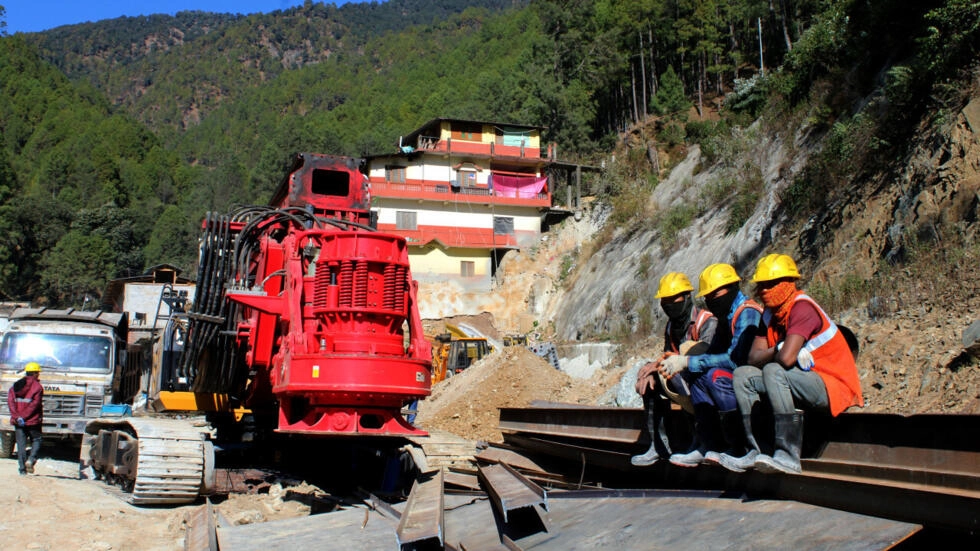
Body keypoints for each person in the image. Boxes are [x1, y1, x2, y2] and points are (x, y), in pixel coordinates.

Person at [729, 254, 863, 474]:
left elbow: (786, 359)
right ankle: (757, 450)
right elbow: (752, 358)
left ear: (788, 283)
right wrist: (779, 347)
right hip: (801, 379)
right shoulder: (770, 315)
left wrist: (779, 351)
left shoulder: (802, 308)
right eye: (762, 285)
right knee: (743, 375)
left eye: (771, 284)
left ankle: (788, 455)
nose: (764, 290)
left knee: (773, 370)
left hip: (832, 385)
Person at [662, 263, 763, 468]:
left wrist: (687, 361)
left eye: (715, 295)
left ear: (732, 287)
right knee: (697, 376)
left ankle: (737, 445)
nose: (710, 301)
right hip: (737, 373)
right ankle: (708, 444)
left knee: (713, 376)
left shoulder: (747, 313)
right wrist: (688, 365)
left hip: (753, 375)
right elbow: (713, 351)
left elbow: (735, 358)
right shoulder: (725, 316)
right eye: (707, 297)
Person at [631, 272, 717, 466]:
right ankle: (659, 446)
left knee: (684, 379)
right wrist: (652, 371)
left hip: (702, 380)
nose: (669, 304)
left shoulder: (707, 322)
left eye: (673, 299)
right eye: (665, 300)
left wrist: (662, 365)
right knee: (651, 383)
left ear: (687, 297)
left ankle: (701, 441)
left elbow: (705, 358)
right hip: (682, 377)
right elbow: (667, 354)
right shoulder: (672, 326)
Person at [8, 361, 44, 475]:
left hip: (18, 421)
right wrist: (24, 417)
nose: (38, 375)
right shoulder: (37, 387)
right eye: (37, 373)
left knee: (21, 445)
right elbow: (35, 404)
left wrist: (16, 416)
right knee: (37, 440)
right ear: (34, 374)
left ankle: (22, 470)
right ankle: (31, 459)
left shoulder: (16, 385)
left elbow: (10, 402)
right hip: (32, 421)